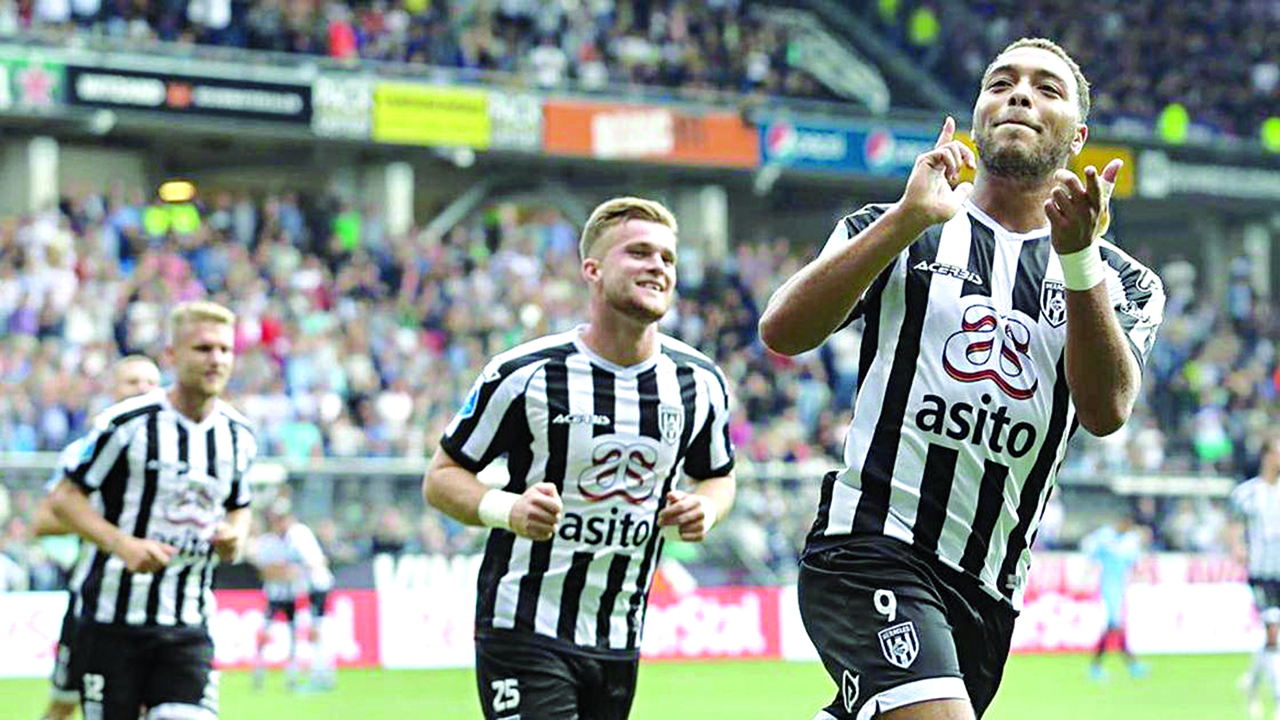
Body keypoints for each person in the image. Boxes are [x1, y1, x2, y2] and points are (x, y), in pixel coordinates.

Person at [758, 37, 1165, 720]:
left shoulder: (1123, 280)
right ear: (977, 114)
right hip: (873, 548)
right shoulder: (899, 229)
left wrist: (1079, 260)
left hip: (987, 593)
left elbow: (1105, 411)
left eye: (1046, 88)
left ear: (1078, 137)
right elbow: (782, 332)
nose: (1020, 94)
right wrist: (907, 217)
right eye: (1001, 82)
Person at [423, 196, 736, 720]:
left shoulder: (700, 382)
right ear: (593, 270)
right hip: (523, 626)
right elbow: (441, 477)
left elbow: (720, 477)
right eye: (639, 252)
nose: (657, 266)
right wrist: (509, 509)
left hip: (618, 638)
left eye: (667, 257)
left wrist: (705, 508)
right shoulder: (524, 375)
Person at [47, 301, 257, 720]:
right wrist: (122, 544)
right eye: (203, 348)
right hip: (112, 621)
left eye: (225, 350)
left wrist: (235, 535)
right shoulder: (125, 424)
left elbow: (240, 507)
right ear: (172, 355)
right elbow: (64, 498)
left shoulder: (238, 436)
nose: (216, 359)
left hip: (188, 624)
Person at [33, 355, 162, 720]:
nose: (143, 390)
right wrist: (108, 528)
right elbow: (44, 520)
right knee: (65, 703)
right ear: (112, 390)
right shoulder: (84, 450)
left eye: (151, 383)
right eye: (132, 382)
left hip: (156, 601)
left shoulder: (176, 452)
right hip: (94, 597)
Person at [250, 499, 335, 692]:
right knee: (287, 631)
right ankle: (271, 673)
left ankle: (320, 674)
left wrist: (290, 570)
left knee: (314, 630)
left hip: (313, 587)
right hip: (290, 591)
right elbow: (266, 571)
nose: (280, 522)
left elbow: (316, 562)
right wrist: (286, 571)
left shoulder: (299, 534)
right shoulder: (270, 540)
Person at [1230, 437, 1280, 720]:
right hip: (1261, 572)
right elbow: (1235, 526)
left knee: (1272, 637)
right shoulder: (1247, 493)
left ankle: (1251, 685)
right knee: (1272, 631)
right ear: (1266, 456)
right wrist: (1237, 547)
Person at [1081, 516, 1148, 681]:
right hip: (1108, 589)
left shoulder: (1127, 544)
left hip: (1119, 589)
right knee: (1114, 625)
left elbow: (1133, 564)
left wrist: (1141, 576)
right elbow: (1093, 556)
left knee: (1114, 627)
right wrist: (1085, 578)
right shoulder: (1107, 540)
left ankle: (1106, 665)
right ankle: (1127, 664)